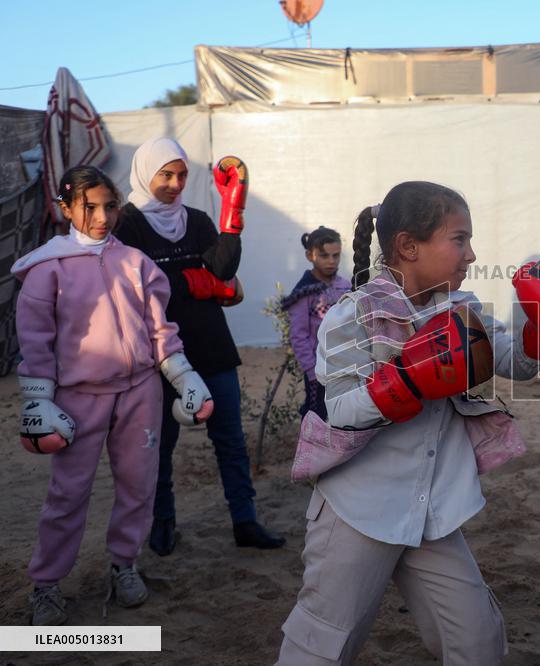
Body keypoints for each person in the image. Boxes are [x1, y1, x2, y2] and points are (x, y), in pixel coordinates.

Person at [277, 181, 540, 665]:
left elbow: (518, 363)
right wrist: (407, 379)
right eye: (459, 239)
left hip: (432, 512)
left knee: (477, 641)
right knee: (323, 646)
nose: (471, 254)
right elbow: (338, 410)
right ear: (408, 246)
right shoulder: (352, 315)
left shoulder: (463, 310)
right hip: (358, 511)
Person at [14, 166, 213, 626]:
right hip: (77, 398)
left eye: (110, 206)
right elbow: (36, 340)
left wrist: (183, 377)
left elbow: (160, 329)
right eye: (89, 207)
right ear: (64, 208)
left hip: (141, 391)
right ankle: (46, 584)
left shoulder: (136, 263)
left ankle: (126, 563)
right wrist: (38, 399)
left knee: (138, 484)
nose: (102, 216)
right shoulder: (48, 269)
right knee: (68, 492)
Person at [115, 137, 285, 556]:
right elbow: (131, 287)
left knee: (229, 439)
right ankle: (163, 523)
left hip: (211, 347)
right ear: (145, 173)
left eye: (182, 175)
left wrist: (232, 216)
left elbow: (224, 268)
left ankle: (245, 521)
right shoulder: (128, 223)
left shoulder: (198, 219)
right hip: (159, 354)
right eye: (165, 175)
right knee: (160, 444)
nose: (175, 183)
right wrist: (192, 281)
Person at [281, 226, 352, 421]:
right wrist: (312, 372)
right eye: (324, 256)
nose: (331, 261)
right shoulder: (304, 292)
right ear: (309, 255)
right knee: (318, 417)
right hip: (318, 371)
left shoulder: (345, 286)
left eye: (336, 256)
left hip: (346, 365)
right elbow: (299, 336)